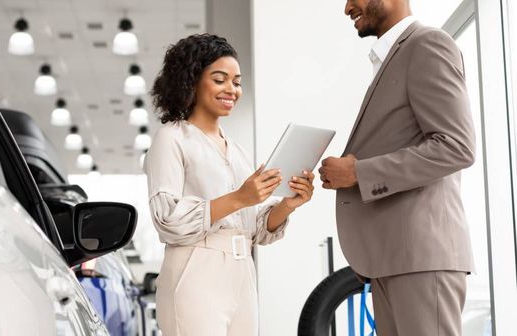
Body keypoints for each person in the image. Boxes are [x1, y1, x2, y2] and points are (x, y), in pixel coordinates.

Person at [319, 1, 476, 335]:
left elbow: (456, 146)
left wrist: (359, 173)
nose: (347, 7)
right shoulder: (394, 57)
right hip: (392, 260)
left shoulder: (428, 45)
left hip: (421, 259)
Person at [144, 33, 315, 335]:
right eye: (220, 79)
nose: (232, 90)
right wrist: (239, 197)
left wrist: (288, 204)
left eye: (236, 82)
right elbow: (167, 219)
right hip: (195, 270)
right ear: (192, 80)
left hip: (242, 273)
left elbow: (257, 229)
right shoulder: (171, 138)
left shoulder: (237, 151)